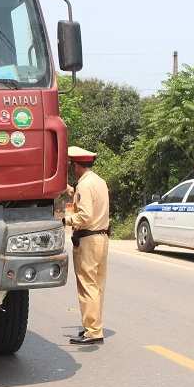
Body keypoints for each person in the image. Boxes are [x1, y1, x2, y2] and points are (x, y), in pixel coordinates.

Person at [65, 146, 110, 345]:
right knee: (97, 285)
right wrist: (68, 190)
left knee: (87, 286)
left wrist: (64, 220)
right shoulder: (98, 181)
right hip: (101, 238)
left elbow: (84, 215)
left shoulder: (84, 186)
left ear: (76, 166)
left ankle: (92, 331)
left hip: (88, 239)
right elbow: (86, 199)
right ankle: (95, 326)